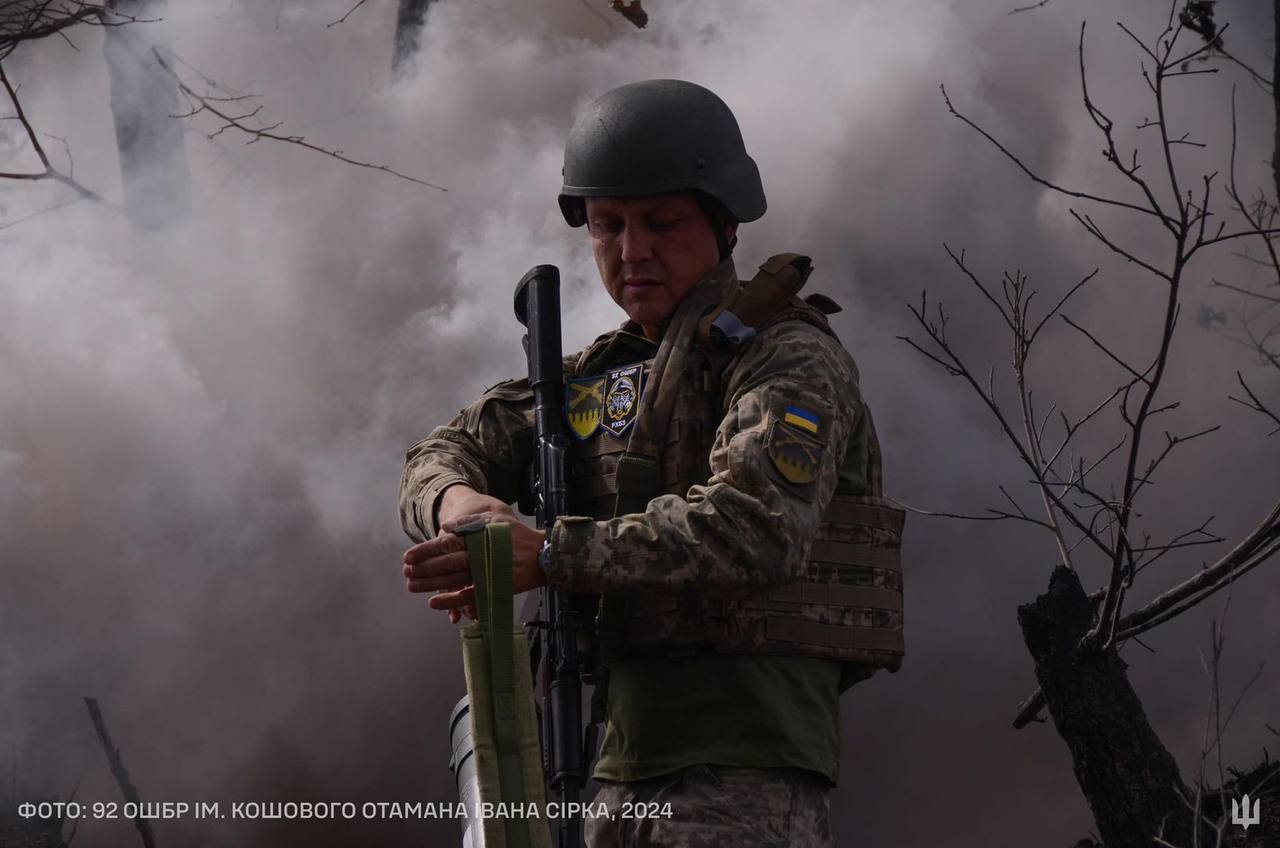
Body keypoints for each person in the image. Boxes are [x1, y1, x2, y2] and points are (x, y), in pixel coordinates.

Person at [398, 79, 905, 848]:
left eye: (662, 223)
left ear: (723, 223)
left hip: (743, 765)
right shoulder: (605, 378)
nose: (632, 251)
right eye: (609, 225)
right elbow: (445, 450)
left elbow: (756, 528)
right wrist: (460, 506)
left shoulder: (786, 357)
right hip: (611, 763)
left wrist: (555, 554)